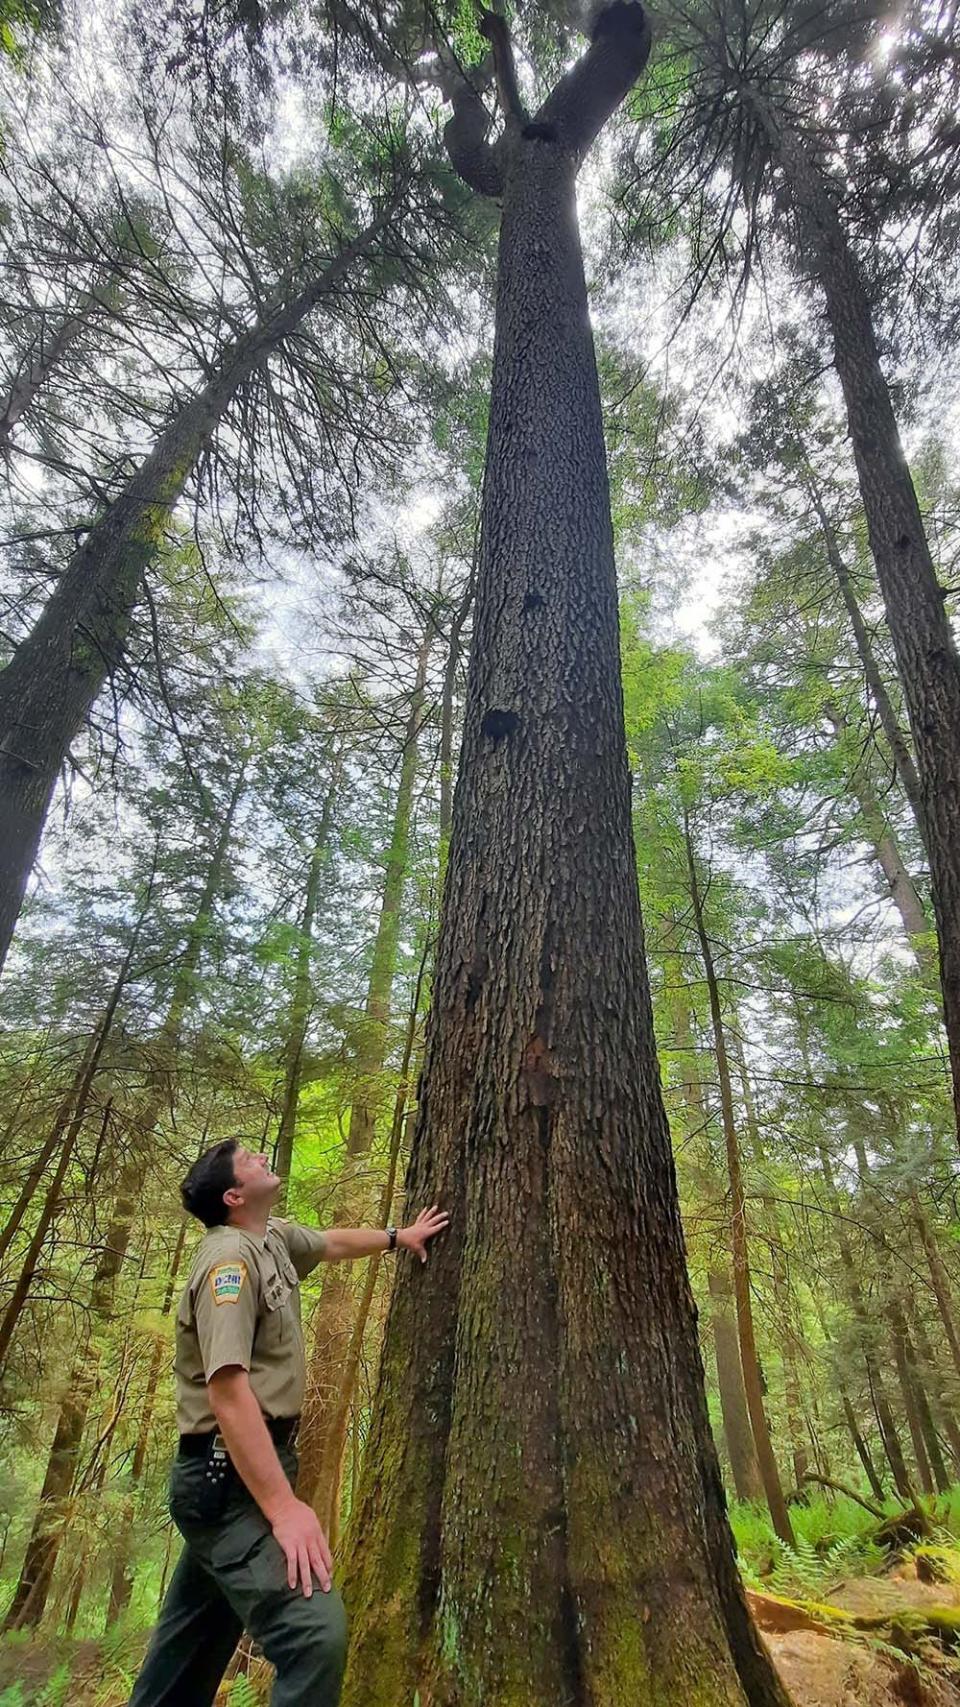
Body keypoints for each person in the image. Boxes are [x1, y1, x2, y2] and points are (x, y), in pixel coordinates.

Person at [128, 1139, 448, 1707]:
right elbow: (227, 1391)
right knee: (314, 1637)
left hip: (250, 1470)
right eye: (249, 1160)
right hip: (226, 1482)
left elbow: (329, 1244)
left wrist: (400, 1238)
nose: (263, 1159)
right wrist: (285, 1510)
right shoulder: (228, 1261)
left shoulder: (270, 1238)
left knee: (188, 1652)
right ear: (233, 1195)